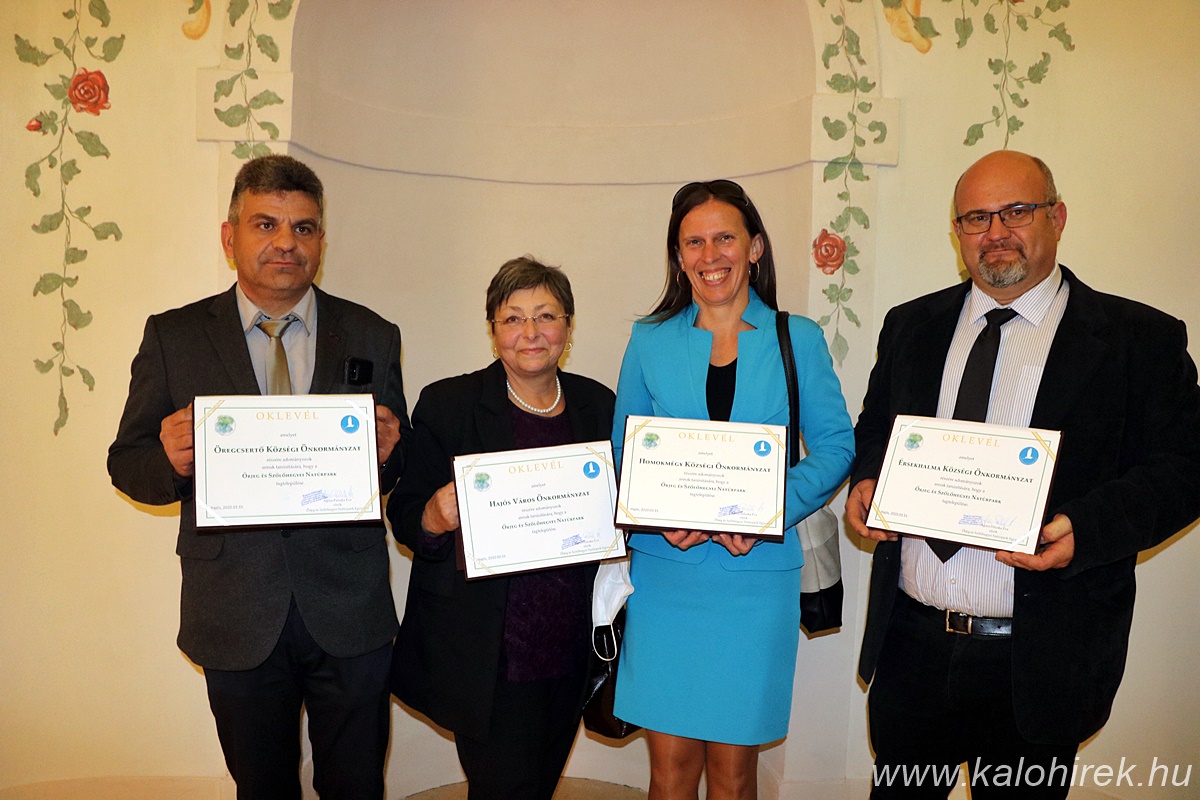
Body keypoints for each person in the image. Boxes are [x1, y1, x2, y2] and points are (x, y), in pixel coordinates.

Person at [845, 150, 1200, 798]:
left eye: (1016, 211)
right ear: (956, 232)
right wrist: (868, 480)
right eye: (976, 217)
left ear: (1056, 218)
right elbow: (876, 426)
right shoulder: (911, 324)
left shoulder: (1137, 339)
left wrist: (1086, 529)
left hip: (1038, 662)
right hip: (911, 647)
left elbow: (1186, 469)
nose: (995, 232)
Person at [108, 154, 410, 800]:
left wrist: (391, 453)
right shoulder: (174, 337)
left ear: (321, 241)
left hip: (349, 606)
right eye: (265, 224)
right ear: (230, 236)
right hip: (234, 607)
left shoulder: (372, 334)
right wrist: (167, 458)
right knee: (261, 787)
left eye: (303, 228)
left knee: (357, 784)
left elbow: (400, 470)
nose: (285, 243)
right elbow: (126, 462)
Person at [611, 180, 856, 799]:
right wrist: (655, 519)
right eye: (693, 242)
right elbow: (622, 454)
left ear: (755, 247)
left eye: (725, 237)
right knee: (669, 774)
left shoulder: (798, 337)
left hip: (756, 584)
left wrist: (765, 511)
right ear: (678, 256)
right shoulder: (648, 339)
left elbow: (836, 447)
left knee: (734, 774)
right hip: (666, 578)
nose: (710, 254)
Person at [388, 257, 615, 800]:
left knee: (540, 784)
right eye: (513, 318)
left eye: (546, 316)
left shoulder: (598, 404)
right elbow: (406, 515)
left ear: (568, 326)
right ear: (493, 331)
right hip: (489, 651)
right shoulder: (449, 404)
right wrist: (433, 516)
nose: (530, 332)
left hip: (571, 642)